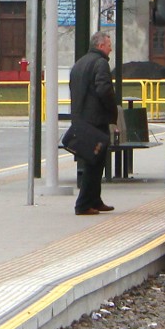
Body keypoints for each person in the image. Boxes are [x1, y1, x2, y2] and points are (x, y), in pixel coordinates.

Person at [69, 31, 118, 215]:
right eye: (108, 44)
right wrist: (112, 110)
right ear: (100, 46)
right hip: (96, 120)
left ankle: (95, 200)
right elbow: (104, 89)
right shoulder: (101, 63)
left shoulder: (80, 63)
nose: (110, 48)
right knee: (93, 163)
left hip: (82, 119)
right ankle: (82, 204)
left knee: (95, 161)